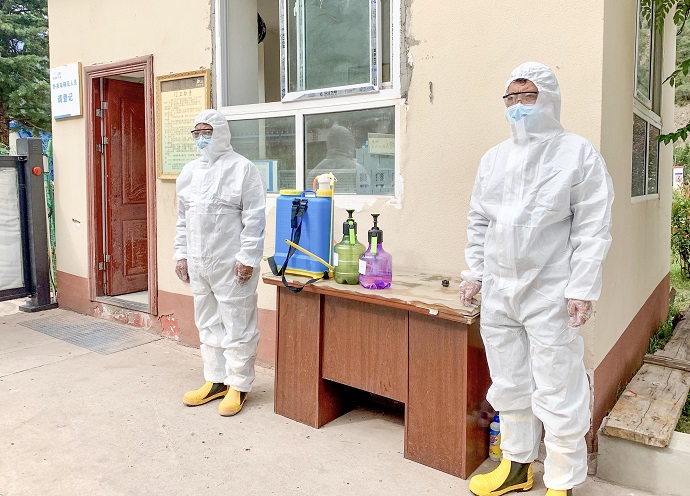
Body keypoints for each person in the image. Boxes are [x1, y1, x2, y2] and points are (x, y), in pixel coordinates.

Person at [460, 62, 614, 496]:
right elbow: (479, 221)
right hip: (500, 291)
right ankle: (517, 466)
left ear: (549, 99)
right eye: (510, 98)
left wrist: (582, 288)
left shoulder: (578, 154)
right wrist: (475, 273)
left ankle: (562, 480)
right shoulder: (494, 159)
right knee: (509, 382)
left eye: (527, 96)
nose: (517, 106)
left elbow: (592, 227)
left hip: (550, 290)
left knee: (558, 383)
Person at [174, 109, 266, 417]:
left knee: (238, 324)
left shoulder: (242, 169)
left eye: (207, 132)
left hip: (231, 263)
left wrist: (248, 257)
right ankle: (216, 380)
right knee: (208, 323)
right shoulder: (190, 172)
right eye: (196, 133)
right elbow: (183, 219)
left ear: (221, 133)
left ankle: (238, 384)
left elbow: (254, 218)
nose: (201, 138)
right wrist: (181, 254)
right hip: (200, 263)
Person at [307, 124, 370, 193]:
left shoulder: (313, 174)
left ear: (328, 144)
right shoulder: (358, 170)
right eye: (351, 143)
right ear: (347, 144)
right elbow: (366, 195)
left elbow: (308, 196)